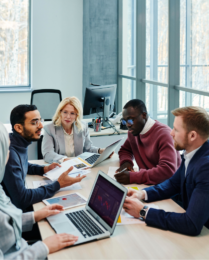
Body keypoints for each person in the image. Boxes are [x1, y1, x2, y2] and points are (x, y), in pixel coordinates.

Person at [0, 120, 78, 259]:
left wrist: (35, 215)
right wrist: (44, 247)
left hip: (21, 247)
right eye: (6, 150)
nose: (9, 156)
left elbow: (4, 223)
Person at [123, 106, 209, 236]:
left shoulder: (205, 167)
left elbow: (191, 224)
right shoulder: (191, 153)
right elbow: (173, 184)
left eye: (176, 129)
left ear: (192, 136)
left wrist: (143, 211)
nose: (171, 133)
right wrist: (142, 194)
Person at [2, 104, 85, 211]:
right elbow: (22, 198)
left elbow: (22, 164)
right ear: (18, 128)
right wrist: (58, 184)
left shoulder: (18, 142)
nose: (41, 125)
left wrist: (43, 169)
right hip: (13, 214)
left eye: (40, 120)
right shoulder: (11, 153)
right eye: (34, 122)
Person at [115, 99, 181, 185]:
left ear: (143, 115)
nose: (128, 125)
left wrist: (134, 177)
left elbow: (167, 171)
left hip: (168, 189)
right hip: (148, 184)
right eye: (124, 121)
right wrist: (126, 162)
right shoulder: (134, 131)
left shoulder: (164, 135)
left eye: (130, 120)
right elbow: (125, 150)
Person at [42, 96, 112, 163]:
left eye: (72, 113)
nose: (68, 117)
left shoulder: (83, 127)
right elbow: (48, 154)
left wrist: (100, 151)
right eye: (65, 112)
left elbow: (88, 149)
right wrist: (65, 160)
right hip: (59, 166)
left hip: (78, 167)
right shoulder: (50, 129)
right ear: (60, 112)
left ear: (77, 115)